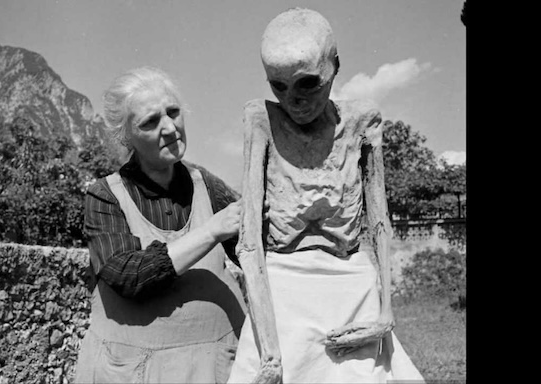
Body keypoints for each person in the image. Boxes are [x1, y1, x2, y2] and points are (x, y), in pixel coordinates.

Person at [227, 8, 425, 383]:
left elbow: (380, 222)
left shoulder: (363, 122)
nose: (294, 100)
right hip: (281, 295)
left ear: (335, 67)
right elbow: (249, 241)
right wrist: (270, 355)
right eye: (279, 86)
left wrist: (384, 318)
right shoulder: (261, 121)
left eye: (307, 84)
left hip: (351, 289)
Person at [74, 66, 247, 384]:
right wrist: (210, 231)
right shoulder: (104, 197)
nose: (169, 128)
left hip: (215, 369)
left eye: (173, 112)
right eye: (150, 122)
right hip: (136, 372)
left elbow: (256, 252)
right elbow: (130, 276)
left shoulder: (206, 184)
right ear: (127, 137)